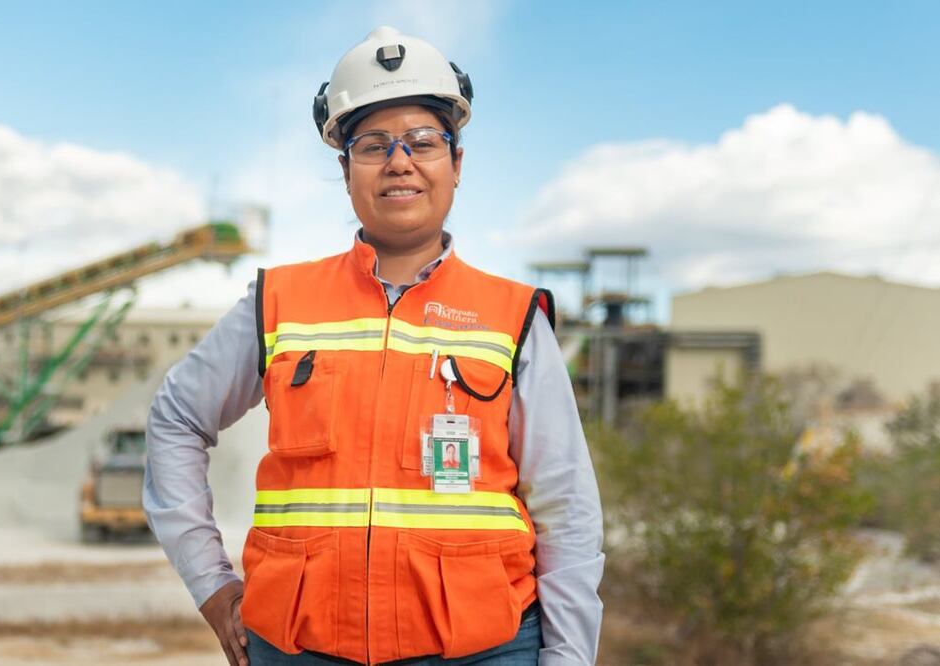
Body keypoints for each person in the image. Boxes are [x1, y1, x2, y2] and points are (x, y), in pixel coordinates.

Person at [144, 26, 604, 666]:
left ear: (457, 163)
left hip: (481, 650)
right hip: (300, 647)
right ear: (345, 169)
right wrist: (211, 584)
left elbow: (568, 507)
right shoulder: (277, 301)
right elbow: (175, 419)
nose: (399, 161)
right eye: (373, 145)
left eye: (423, 142)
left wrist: (569, 656)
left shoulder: (515, 317)